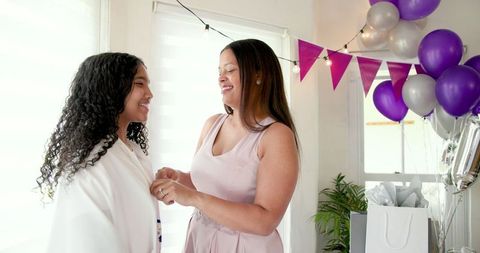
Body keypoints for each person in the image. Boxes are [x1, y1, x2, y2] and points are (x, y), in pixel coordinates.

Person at [150, 39, 299, 253]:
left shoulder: (276, 136)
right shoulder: (212, 124)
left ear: (259, 76)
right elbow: (204, 184)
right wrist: (179, 179)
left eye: (230, 70)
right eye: (219, 71)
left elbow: (265, 221)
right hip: (200, 238)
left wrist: (193, 198)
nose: (221, 78)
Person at [37, 52, 161, 253]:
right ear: (111, 89)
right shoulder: (90, 163)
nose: (149, 93)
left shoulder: (133, 152)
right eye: (140, 84)